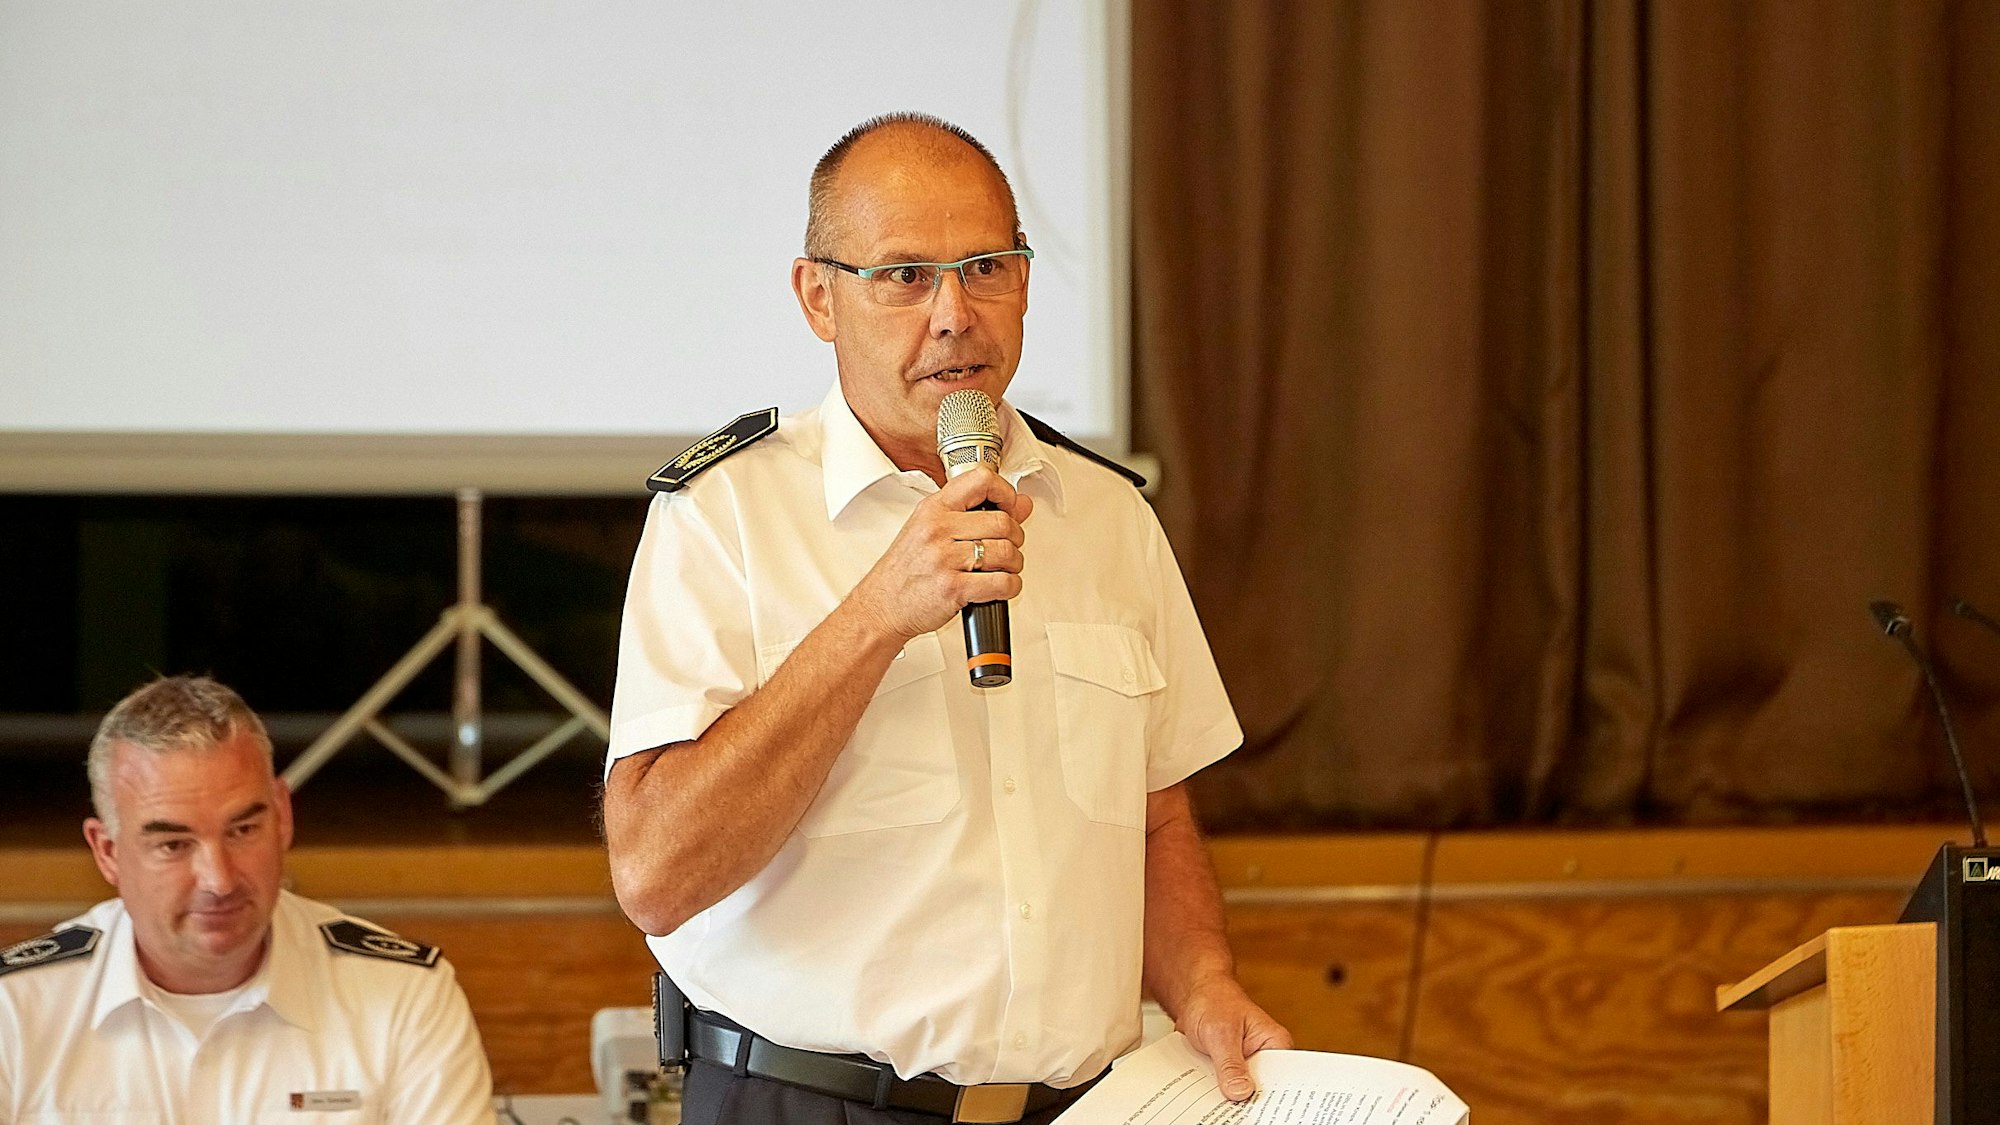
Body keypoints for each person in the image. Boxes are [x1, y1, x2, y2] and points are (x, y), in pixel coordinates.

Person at [602, 112, 1290, 1125]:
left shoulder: (1104, 514)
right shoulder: (723, 518)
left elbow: (1153, 817)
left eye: (986, 267)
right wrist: (880, 612)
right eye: (903, 277)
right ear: (817, 297)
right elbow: (656, 874)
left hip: (1077, 1108)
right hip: (808, 1104)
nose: (953, 314)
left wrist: (1203, 989)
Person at [0, 675, 494, 1123]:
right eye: (173, 845)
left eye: (242, 830)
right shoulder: (17, 1010)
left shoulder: (404, 996)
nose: (219, 879)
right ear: (107, 852)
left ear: (282, 816)